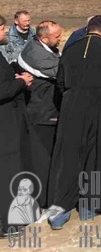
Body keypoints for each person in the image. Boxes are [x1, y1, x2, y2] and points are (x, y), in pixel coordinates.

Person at [47, 16, 101, 229]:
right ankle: (90, 206)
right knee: (98, 152)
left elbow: (61, 82)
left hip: (72, 104)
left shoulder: (70, 49)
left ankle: (61, 208)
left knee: (69, 153)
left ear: (88, 29)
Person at [0, 14, 48, 237]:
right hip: (5, 123)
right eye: (1, 29)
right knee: (9, 170)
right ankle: (10, 223)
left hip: (11, 119)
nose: (4, 32)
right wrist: (21, 82)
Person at [17, 20, 63, 155]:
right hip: (42, 113)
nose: (60, 39)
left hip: (47, 108)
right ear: (43, 38)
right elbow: (62, 72)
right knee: (44, 152)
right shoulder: (36, 55)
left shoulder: (43, 46)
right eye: (57, 37)